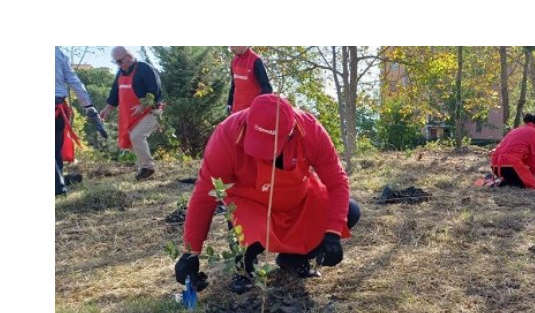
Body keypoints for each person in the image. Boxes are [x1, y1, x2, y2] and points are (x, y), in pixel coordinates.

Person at [175, 94, 360, 294]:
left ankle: (294, 257)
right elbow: (205, 195)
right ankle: (244, 265)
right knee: (240, 221)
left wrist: (332, 233)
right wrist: (190, 253)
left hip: (298, 202)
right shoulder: (226, 135)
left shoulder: (311, 130)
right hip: (250, 206)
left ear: (290, 133)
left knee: (350, 211)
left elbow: (337, 182)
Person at [99, 46, 164, 181]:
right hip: (131, 115)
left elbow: (155, 91)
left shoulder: (145, 69)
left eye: (119, 61)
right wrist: (107, 109)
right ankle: (142, 171)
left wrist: (143, 105)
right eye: (115, 62)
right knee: (131, 138)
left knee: (136, 136)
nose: (118, 65)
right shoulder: (120, 73)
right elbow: (114, 93)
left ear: (129, 56)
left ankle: (147, 167)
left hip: (152, 111)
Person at [55, 46, 97, 196]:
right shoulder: (58, 52)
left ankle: (58, 187)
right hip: (58, 107)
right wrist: (88, 105)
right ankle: (58, 187)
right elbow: (74, 80)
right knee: (55, 149)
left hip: (57, 108)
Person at [489, 113, 535, 189]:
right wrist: (533, 174)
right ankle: (506, 182)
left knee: (516, 181)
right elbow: (534, 158)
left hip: (494, 166)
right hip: (509, 166)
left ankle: (503, 181)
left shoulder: (516, 130)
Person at [227, 46, 273, 115]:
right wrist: (229, 103)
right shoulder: (234, 61)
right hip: (236, 113)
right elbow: (234, 85)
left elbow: (267, 88)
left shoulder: (256, 61)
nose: (231, 48)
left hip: (252, 113)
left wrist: (257, 108)